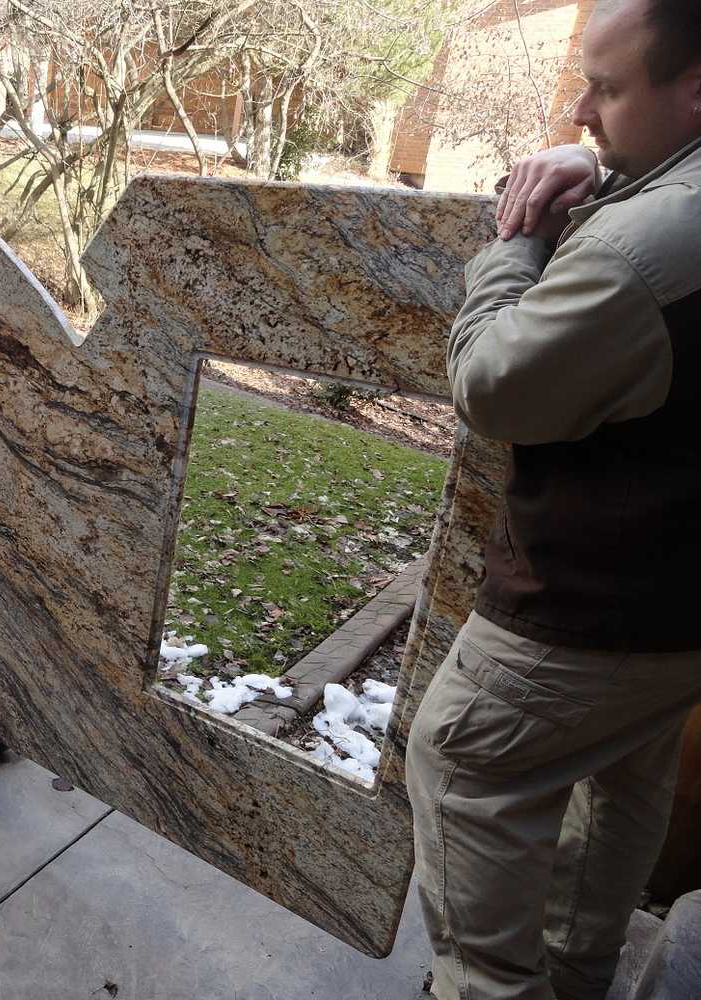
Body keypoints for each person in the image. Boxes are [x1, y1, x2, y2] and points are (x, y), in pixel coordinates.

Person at [405, 2, 701, 999]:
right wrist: (605, 172)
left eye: (606, 89)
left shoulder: (642, 249)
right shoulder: (660, 200)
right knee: (624, 781)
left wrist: (511, 243)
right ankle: (575, 977)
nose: (575, 109)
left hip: (589, 603)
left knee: (458, 765)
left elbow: (495, 385)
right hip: (676, 614)